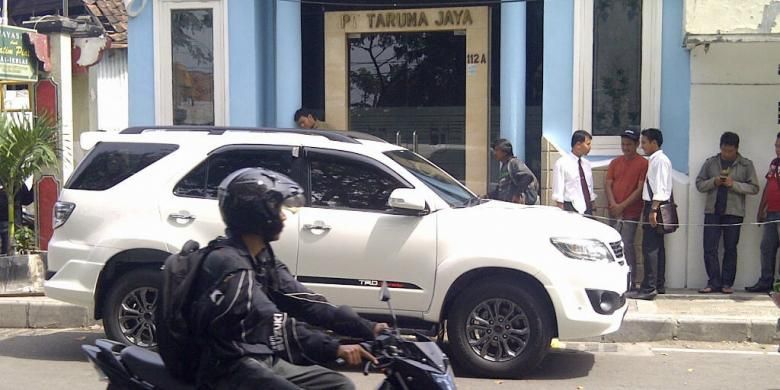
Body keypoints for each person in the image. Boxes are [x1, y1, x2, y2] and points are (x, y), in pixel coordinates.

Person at [187, 167, 386, 389]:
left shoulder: (261, 258)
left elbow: (306, 302)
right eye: (275, 208)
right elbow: (273, 324)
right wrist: (334, 348)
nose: (282, 215)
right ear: (257, 214)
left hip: (257, 355)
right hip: (228, 364)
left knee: (338, 385)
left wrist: (370, 328)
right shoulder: (231, 265)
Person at [695, 132, 759, 294]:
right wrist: (714, 181)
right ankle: (713, 282)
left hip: (734, 212)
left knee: (730, 248)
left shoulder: (745, 165)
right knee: (709, 247)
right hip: (713, 211)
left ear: (736, 149)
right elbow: (699, 184)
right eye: (724, 150)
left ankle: (727, 283)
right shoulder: (711, 163)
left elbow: (754, 188)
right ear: (720, 147)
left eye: (730, 151)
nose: (726, 154)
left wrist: (734, 185)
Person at [628, 128, 672, 301]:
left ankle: (649, 287)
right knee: (657, 246)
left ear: (654, 143)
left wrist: (653, 210)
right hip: (654, 204)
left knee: (650, 247)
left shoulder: (659, 161)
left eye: (645, 142)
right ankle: (658, 283)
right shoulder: (654, 160)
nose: (642, 146)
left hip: (655, 205)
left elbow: (660, 188)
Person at [605, 129, 648, 291]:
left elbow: (639, 189)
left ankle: (631, 280)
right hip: (614, 211)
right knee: (612, 245)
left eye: (629, 144)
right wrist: (613, 204)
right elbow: (608, 184)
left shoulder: (643, 163)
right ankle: (614, 279)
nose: (625, 147)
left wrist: (622, 206)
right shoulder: (615, 163)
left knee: (627, 244)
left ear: (637, 144)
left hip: (631, 212)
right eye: (623, 144)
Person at [746, 132, 780, 293]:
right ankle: (766, 281)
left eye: (779, 146)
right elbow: (768, 186)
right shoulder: (774, 163)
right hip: (772, 213)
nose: (777, 149)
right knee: (767, 247)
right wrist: (761, 209)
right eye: (776, 145)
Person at [552, 130, 596, 215]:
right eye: (588, 144)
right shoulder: (562, 163)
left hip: (587, 206)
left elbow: (589, 188)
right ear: (578, 145)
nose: (590, 147)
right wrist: (561, 211)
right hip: (571, 207)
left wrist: (593, 207)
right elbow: (558, 192)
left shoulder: (586, 164)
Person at [487, 138, 538, 204]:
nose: (495, 153)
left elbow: (527, 176)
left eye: (497, 150)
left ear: (505, 152)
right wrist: (488, 196)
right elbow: (501, 188)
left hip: (520, 206)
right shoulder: (504, 166)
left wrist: (517, 195)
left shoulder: (514, 163)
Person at [0, 183, 34, 255]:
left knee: (8, 250)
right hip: (9, 221)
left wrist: (34, 187)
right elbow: (27, 200)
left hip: (12, 221)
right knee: (8, 251)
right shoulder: (17, 182)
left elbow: (26, 200)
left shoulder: (18, 183)